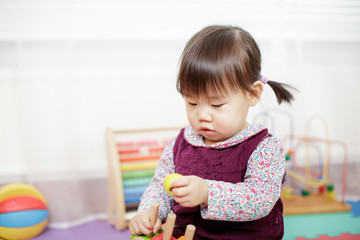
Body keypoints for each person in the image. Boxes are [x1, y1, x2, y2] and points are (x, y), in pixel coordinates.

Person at [129, 25, 295, 240]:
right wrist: (148, 214)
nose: (203, 115)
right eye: (192, 102)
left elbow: (260, 199)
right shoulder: (180, 143)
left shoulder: (264, 147)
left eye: (216, 105)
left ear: (252, 94)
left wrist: (208, 192)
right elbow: (161, 186)